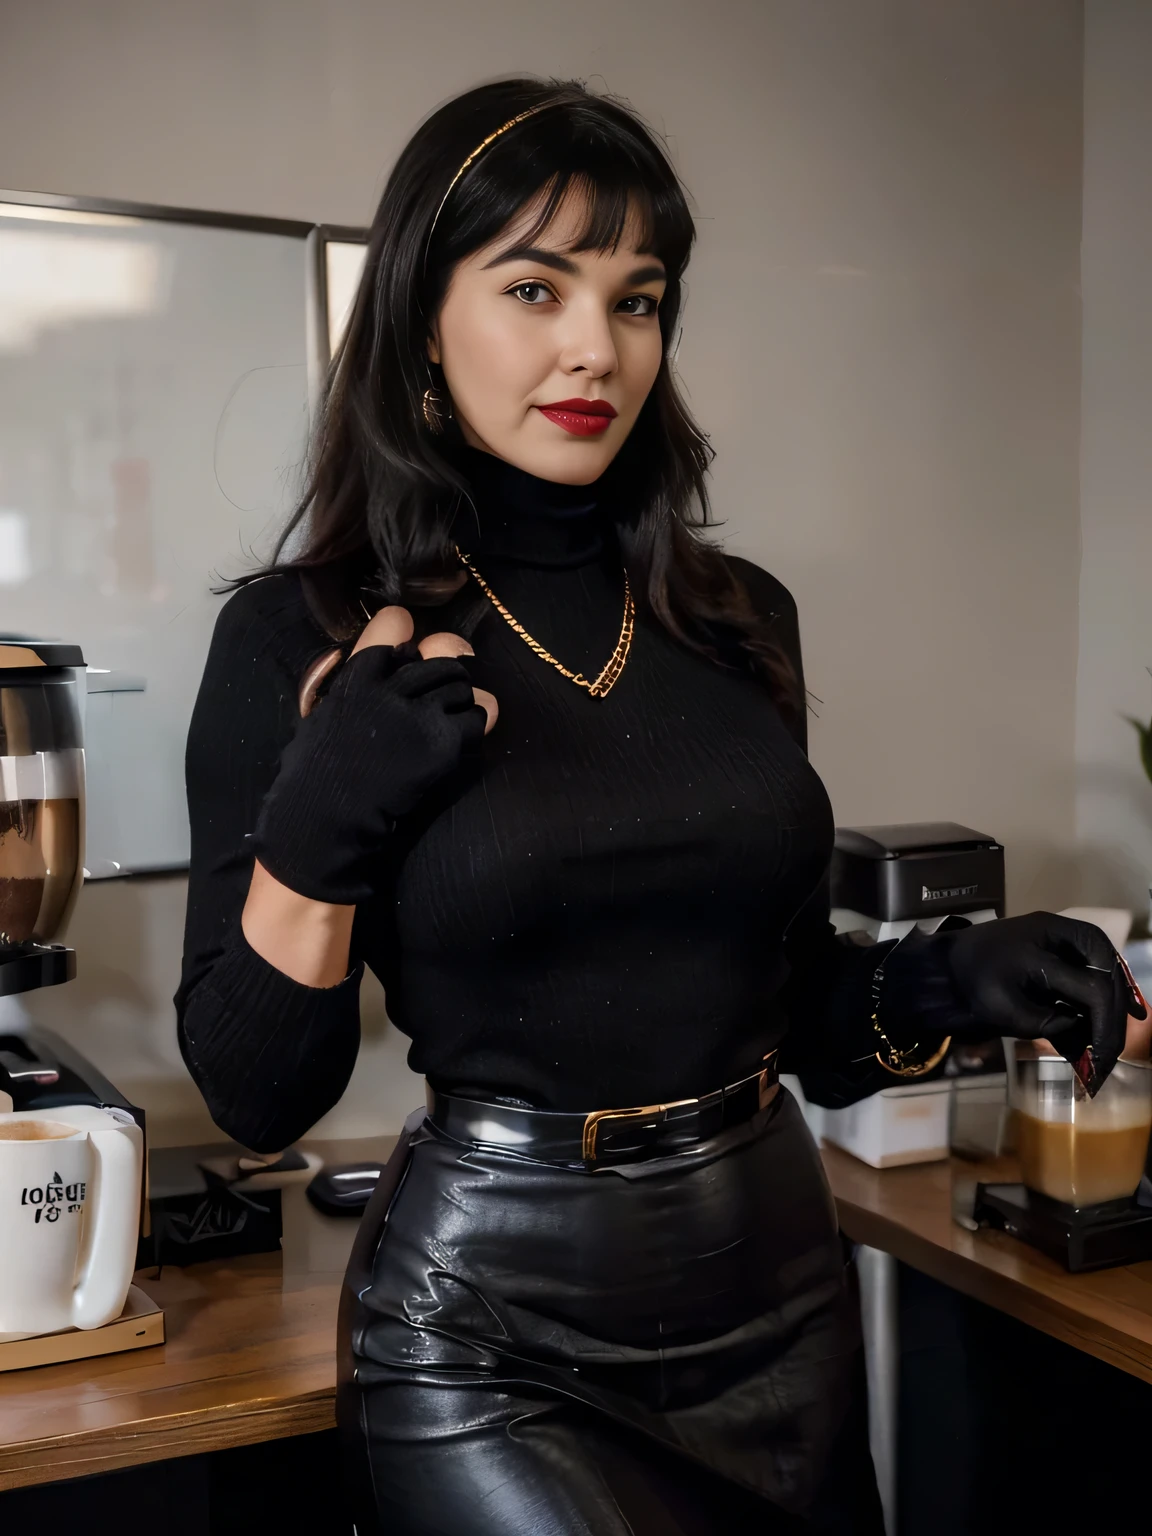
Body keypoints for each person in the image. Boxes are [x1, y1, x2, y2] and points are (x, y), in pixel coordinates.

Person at [176, 78, 1144, 1535]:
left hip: (774, 1281)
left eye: (639, 299)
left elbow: (777, 1002)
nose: (595, 348)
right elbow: (258, 1096)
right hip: (492, 1338)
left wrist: (950, 978)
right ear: (420, 324)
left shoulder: (735, 617)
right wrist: (318, 839)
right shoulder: (301, 636)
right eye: (533, 285)